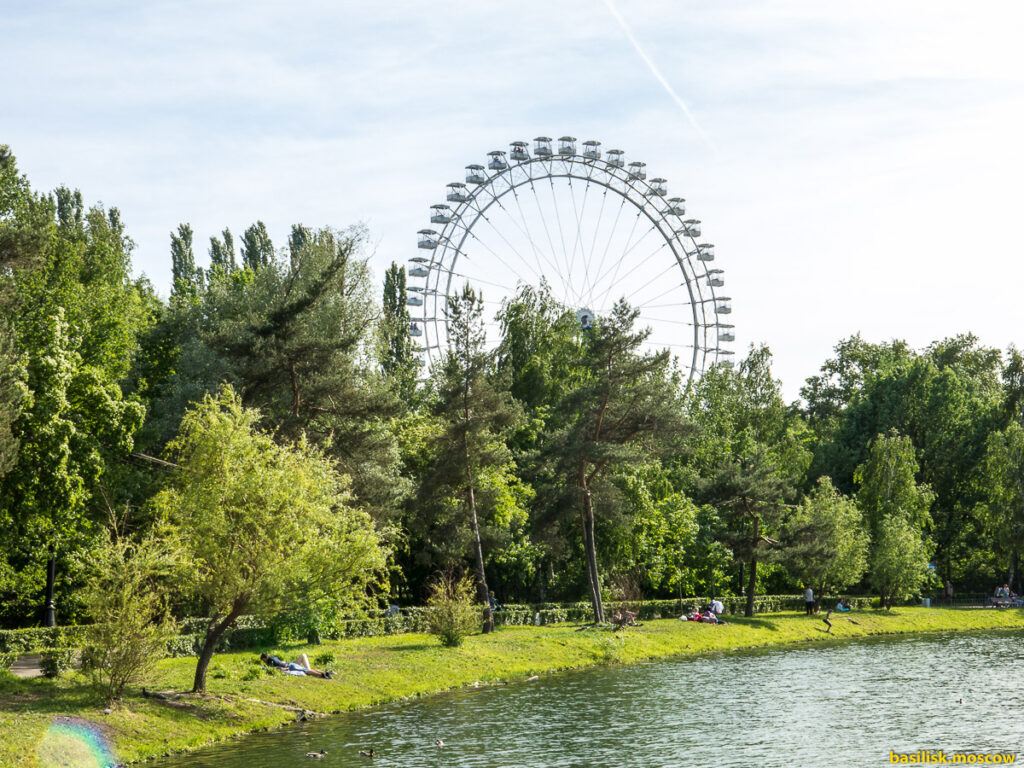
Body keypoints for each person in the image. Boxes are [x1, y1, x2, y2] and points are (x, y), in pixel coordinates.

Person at [260, 653, 332, 679]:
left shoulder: (271, 661)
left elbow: (281, 666)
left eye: (263, 660)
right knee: (305, 670)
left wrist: (285, 669)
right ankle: (323, 673)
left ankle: (322, 675)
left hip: (290, 666)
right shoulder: (272, 658)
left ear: (265, 658)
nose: (264, 662)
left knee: (306, 671)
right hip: (290, 664)